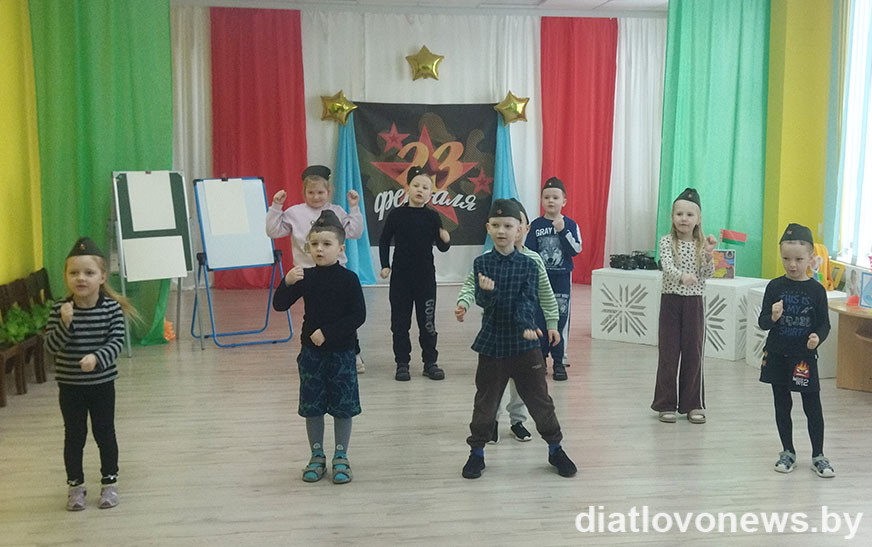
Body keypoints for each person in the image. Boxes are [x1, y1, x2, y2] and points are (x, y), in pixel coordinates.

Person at [461, 199, 576, 480]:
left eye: (508, 226)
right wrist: (483, 293)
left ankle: (555, 449)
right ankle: (477, 453)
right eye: (496, 225)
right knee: (485, 402)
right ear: (488, 228)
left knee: (540, 401)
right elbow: (484, 302)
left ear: (520, 230)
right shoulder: (481, 263)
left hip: (525, 346)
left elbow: (529, 299)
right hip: (492, 345)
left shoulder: (529, 265)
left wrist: (532, 325)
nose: (502, 231)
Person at [44, 237, 138, 511]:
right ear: (66, 277)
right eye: (74, 273)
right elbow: (50, 346)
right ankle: (75, 486)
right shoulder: (59, 309)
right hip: (70, 386)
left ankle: (109, 483)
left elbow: (116, 342)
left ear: (102, 277)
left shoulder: (111, 309)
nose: (81, 278)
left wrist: (97, 358)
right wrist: (65, 323)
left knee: (104, 433)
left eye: (88, 272)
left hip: (101, 385)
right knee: (74, 435)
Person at [273, 210, 366, 484]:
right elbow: (280, 305)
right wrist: (286, 282)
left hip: (342, 353)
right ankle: (316, 455)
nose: (320, 249)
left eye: (326, 244)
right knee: (312, 406)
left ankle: (341, 456)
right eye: (314, 244)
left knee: (342, 406)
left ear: (341, 248)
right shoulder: (305, 277)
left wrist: (327, 332)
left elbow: (358, 316)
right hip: (311, 355)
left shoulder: (349, 279)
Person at [266, 164, 367, 373]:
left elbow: (355, 232)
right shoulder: (295, 212)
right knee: (315, 311)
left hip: (335, 272)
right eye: (311, 192)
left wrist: (354, 207)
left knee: (342, 312)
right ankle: (312, 351)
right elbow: (273, 231)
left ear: (328, 191)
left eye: (320, 192)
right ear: (304, 192)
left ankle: (353, 351)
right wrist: (276, 207)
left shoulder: (337, 211)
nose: (316, 197)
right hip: (308, 274)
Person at [758, 223, 834, 478]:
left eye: (799, 259)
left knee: (812, 406)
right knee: (782, 405)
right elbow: (763, 322)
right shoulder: (774, 286)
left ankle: (818, 456)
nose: (792, 265)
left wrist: (817, 338)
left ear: (811, 257)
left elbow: (824, 324)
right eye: (786, 259)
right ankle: (787, 451)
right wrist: (773, 316)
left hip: (804, 358)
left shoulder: (817, 290)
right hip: (777, 355)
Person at [651, 188, 716, 424]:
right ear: (672, 217)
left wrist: (708, 255)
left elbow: (707, 273)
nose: (684, 219)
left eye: (689, 215)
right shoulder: (666, 241)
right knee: (668, 353)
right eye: (679, 214)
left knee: (693, 353)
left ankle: (693, 404)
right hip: (671, 301)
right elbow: (667, 266)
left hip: (694, 303)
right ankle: (666, 403)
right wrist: (682, 276)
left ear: (698, 219)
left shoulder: (701, 244)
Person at [379, 166, 451, 381]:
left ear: (431, 193)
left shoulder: (433, 217)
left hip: (425, 278)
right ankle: (402, 363)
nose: (420, 190)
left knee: (427, 322)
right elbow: (384, 240)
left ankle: (430, 363)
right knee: (400, 323)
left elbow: (442, 247)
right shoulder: (397, 215)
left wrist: (445, 240)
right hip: (400, 279)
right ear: (407, 188)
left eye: (425, 187)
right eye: (416, 185)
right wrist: (385, 265)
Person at [525, 177, 582, 380]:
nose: (551, 200)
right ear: (541, 200)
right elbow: (529, 253)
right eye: (547, 197)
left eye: (555, 197)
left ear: (563, 201)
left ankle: (559, 361)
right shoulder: (535, 225)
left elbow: (576, 249)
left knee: (560, 319)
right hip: (541, 280)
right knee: (539, 318)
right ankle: (540, 358)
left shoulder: (570, 224)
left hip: (561, 280)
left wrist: (562, 230)